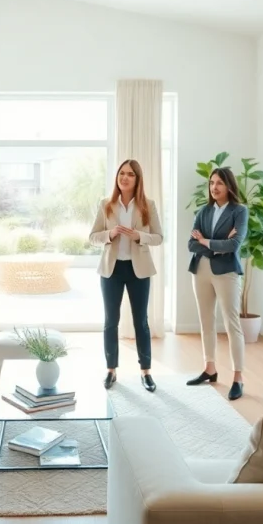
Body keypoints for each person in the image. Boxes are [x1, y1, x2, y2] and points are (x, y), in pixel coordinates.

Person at [89, 159, 163, 392]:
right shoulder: (106, 204)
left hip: (138, 270)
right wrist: (110, 234)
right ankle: (111, 370)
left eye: (130, 174)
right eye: (122, 173)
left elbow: (159, 237)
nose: (125, 177)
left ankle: (146, 372)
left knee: (141, 322)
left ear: (137, 179)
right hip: (111, 270)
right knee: (111, 321)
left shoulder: (148, 205)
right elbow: (93, 237)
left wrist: (139, 236)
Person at [186, 167, 249, 401]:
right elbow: (191, 245)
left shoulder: (239, 211)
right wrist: (215, 244)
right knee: (206, 321)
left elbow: (234, 245)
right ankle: (209, 368)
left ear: (229, 185)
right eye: (212, 183)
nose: (214, 187)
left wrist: (204, 240)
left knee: (232, 324)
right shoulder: (203, 211)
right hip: (200, 270)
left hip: (227, 272)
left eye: (219, 183)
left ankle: (238, 378)